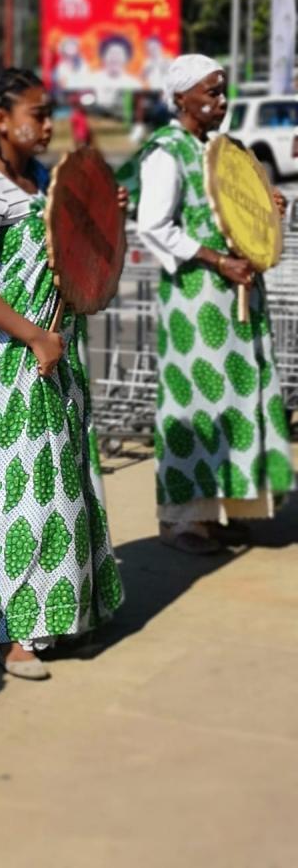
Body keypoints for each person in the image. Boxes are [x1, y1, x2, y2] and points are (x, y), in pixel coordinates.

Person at [0, 67, 125, 681]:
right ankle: (15, 635)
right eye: (38, 114)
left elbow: (70, 254)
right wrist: (33, 336)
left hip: (58, 347)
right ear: (1, 120)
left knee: (66, 482)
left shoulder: (43, 180)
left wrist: (105, 212)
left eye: (50, 113)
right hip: (17, 356)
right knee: (27, 489)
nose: (48, 124)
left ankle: (64, 615)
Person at [120, 54, 292, 554]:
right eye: (211, 92)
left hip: (237, 296)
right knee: (196, 403)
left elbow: (236, 209)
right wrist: (218, 261)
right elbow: (154, 225)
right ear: (181, 98)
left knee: (235, 400)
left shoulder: (220, 148)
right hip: (196, 300)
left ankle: (220, 510)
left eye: (222, 91)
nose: (221, 102)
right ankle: (182, 522)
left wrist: (267, 207)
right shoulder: (166, 151)